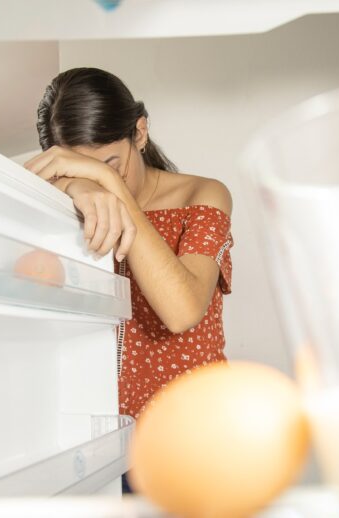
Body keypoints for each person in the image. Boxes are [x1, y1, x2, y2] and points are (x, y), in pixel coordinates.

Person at [25, 67, 234, 422]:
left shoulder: (202, 195)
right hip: (99, 435)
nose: (102, 182)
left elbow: (181, 312)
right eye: (80, 169)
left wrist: (107, 182)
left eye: (111, 164)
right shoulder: (69, 200)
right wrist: (74, 187)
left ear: (139, 132)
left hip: (197, 432)